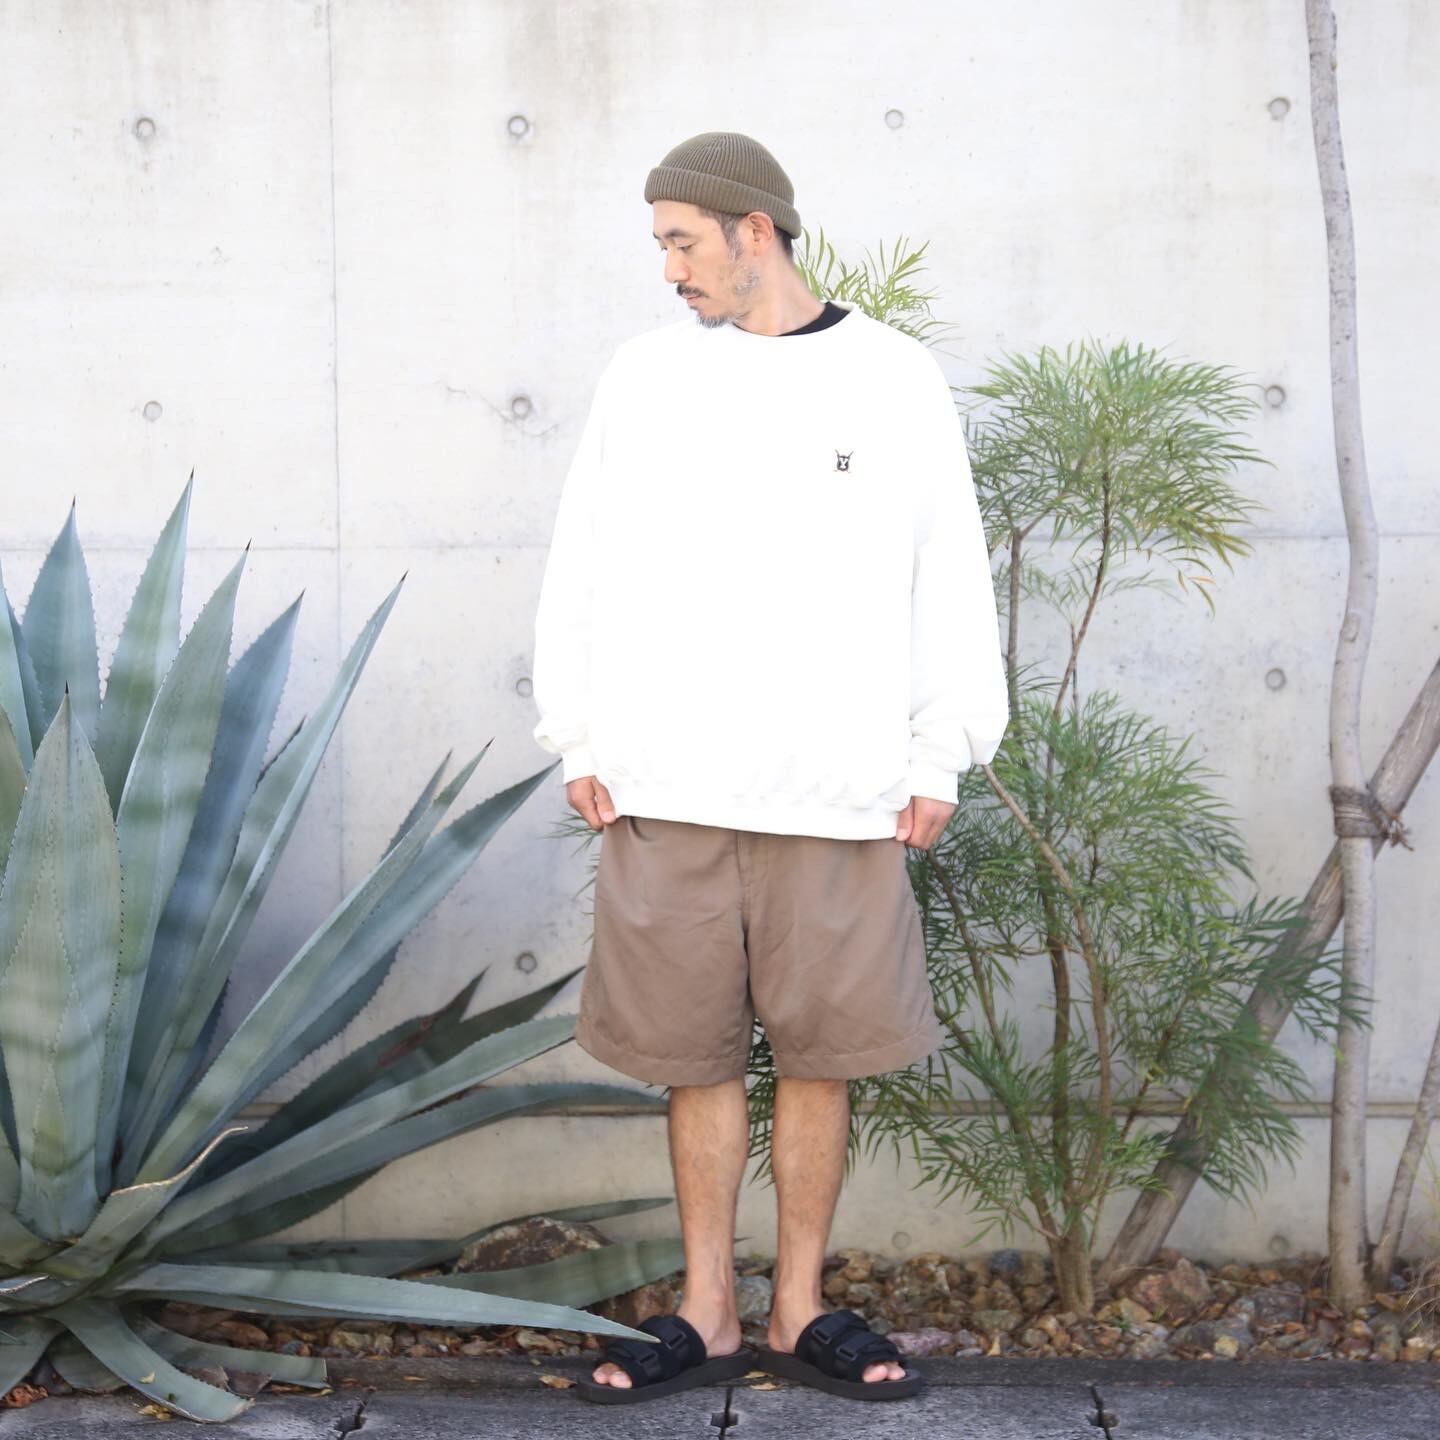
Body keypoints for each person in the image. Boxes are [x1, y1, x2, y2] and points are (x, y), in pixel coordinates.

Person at [530, 131, 1009, 1405]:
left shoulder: (892, 377)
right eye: (662, 245)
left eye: (683, 241)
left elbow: (947, 569)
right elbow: (584, 559)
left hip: (840, 788)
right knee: (692, 1059)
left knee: (819, 1057)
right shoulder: (646, 378)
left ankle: (797, 1310)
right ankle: (707, 1312)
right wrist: (578, 733)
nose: (670, 269)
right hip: (668, 783)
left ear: (757, 231)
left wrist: (944, 750)